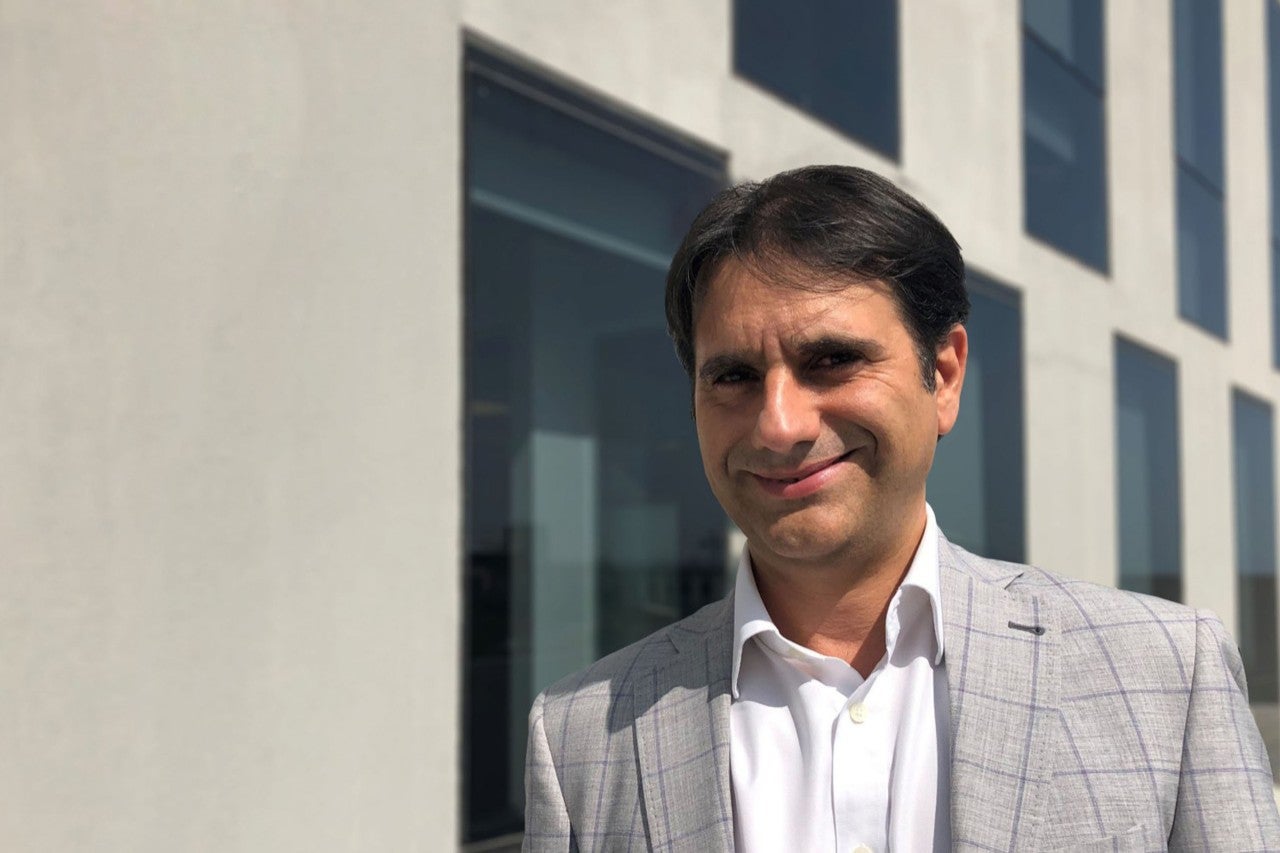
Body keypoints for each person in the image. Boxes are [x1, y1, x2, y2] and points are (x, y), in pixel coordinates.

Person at [521, 165, 1280, 851]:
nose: (779, 424)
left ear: (942, 377)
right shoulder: (581, 737)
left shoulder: (1164, 675)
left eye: (832, 360)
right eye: (734, 376)